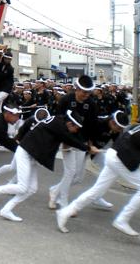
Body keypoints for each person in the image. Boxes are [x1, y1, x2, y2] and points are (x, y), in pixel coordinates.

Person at [56, 121, 140, 236]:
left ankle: (65, 212)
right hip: (121, 158)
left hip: (114, 153)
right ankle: (122, 219)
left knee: (97, 191)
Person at [0, 110, 97, 222]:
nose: (75, 131)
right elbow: (70, 139)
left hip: (31, 154)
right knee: (22, 187)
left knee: (31, 189)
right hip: (25, 152)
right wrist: (88, 148)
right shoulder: (59, 126)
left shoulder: (58, 121)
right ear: (70, 123)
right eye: (75, 128)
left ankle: (6, 210)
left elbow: (69, 137)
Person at [49, 75, 98, 209]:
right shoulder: (65, 100)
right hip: (67, 140)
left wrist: (90, 144)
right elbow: (58, 121)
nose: (86, 95)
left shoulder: (92, 104)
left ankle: (55, 190)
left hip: (81, 141)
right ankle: (63, 201)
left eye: (88, 92)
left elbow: (92, 125)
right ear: (76, 89)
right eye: (84, 92)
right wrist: (62, 140)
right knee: (70, 172)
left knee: (78, 177)